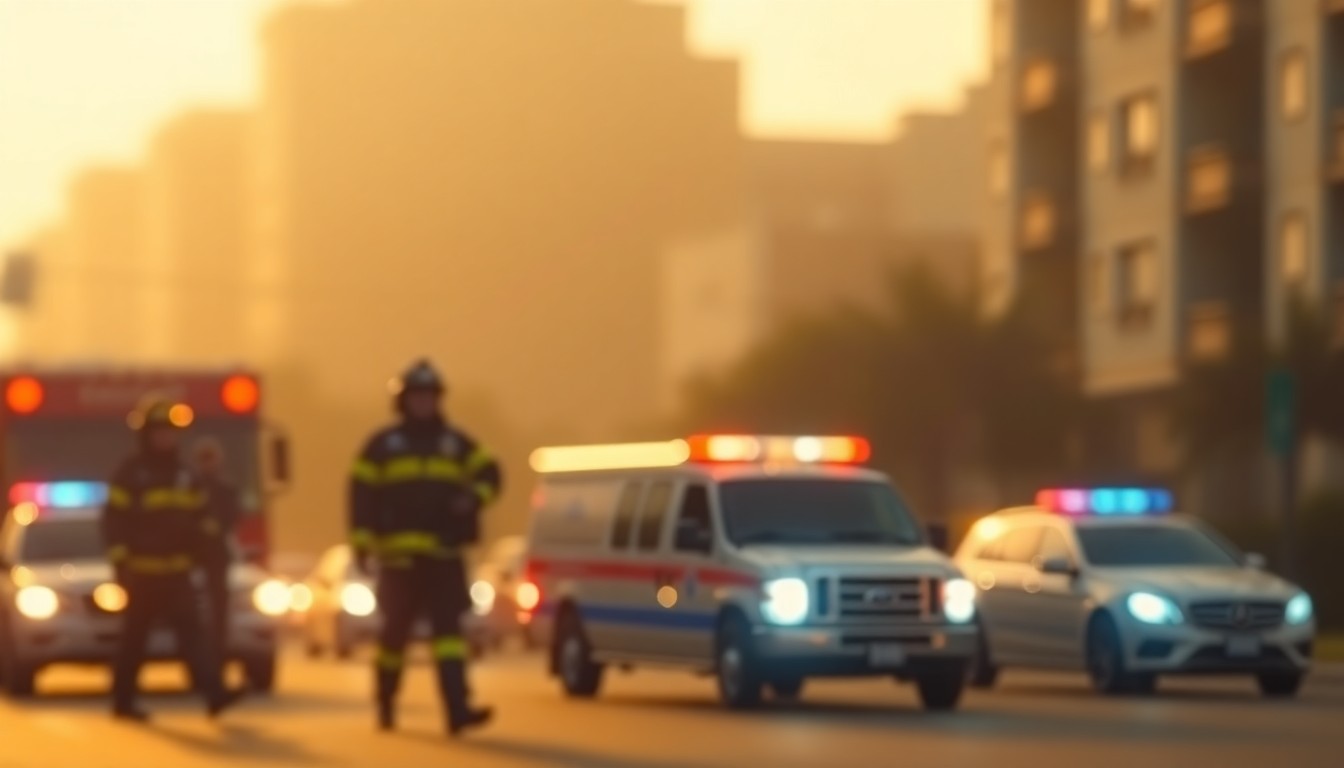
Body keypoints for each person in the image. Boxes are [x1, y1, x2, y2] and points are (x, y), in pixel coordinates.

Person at [348, 359, 501, 737]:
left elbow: (492, 474)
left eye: (429, 396)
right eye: (417, 397)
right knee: (393, 638)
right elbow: (360, 497)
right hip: (398, 561)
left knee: (449, 637)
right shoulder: (381, 446)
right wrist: (362, 545)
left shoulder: (456, 443)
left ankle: (458, 710)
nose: (424, 403)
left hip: (443, 557)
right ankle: (385, 703)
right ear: (403, 401)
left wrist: (473, 498)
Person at [101, 398, 243, 722]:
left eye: (172, 432)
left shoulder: (186, 474)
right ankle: (123, 701)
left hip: (177, 572)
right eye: (161, 432)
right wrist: (121, 563)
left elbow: (202, 516)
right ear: (147, 435)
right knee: (133, 641)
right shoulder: (131, 474)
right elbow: (114, 521)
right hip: (143, 573)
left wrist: (208, 547)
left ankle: (214, 693)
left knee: (195, 637)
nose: (167, 438)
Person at [191, 436, 241, 680]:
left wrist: (211, 528)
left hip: (216, 562)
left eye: (211, 459)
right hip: (190, 561)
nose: (208, 464)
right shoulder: (189, 487)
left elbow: (230, 519)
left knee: (218, 619)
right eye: (204, 459)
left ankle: (216, 669)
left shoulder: (226, 490)